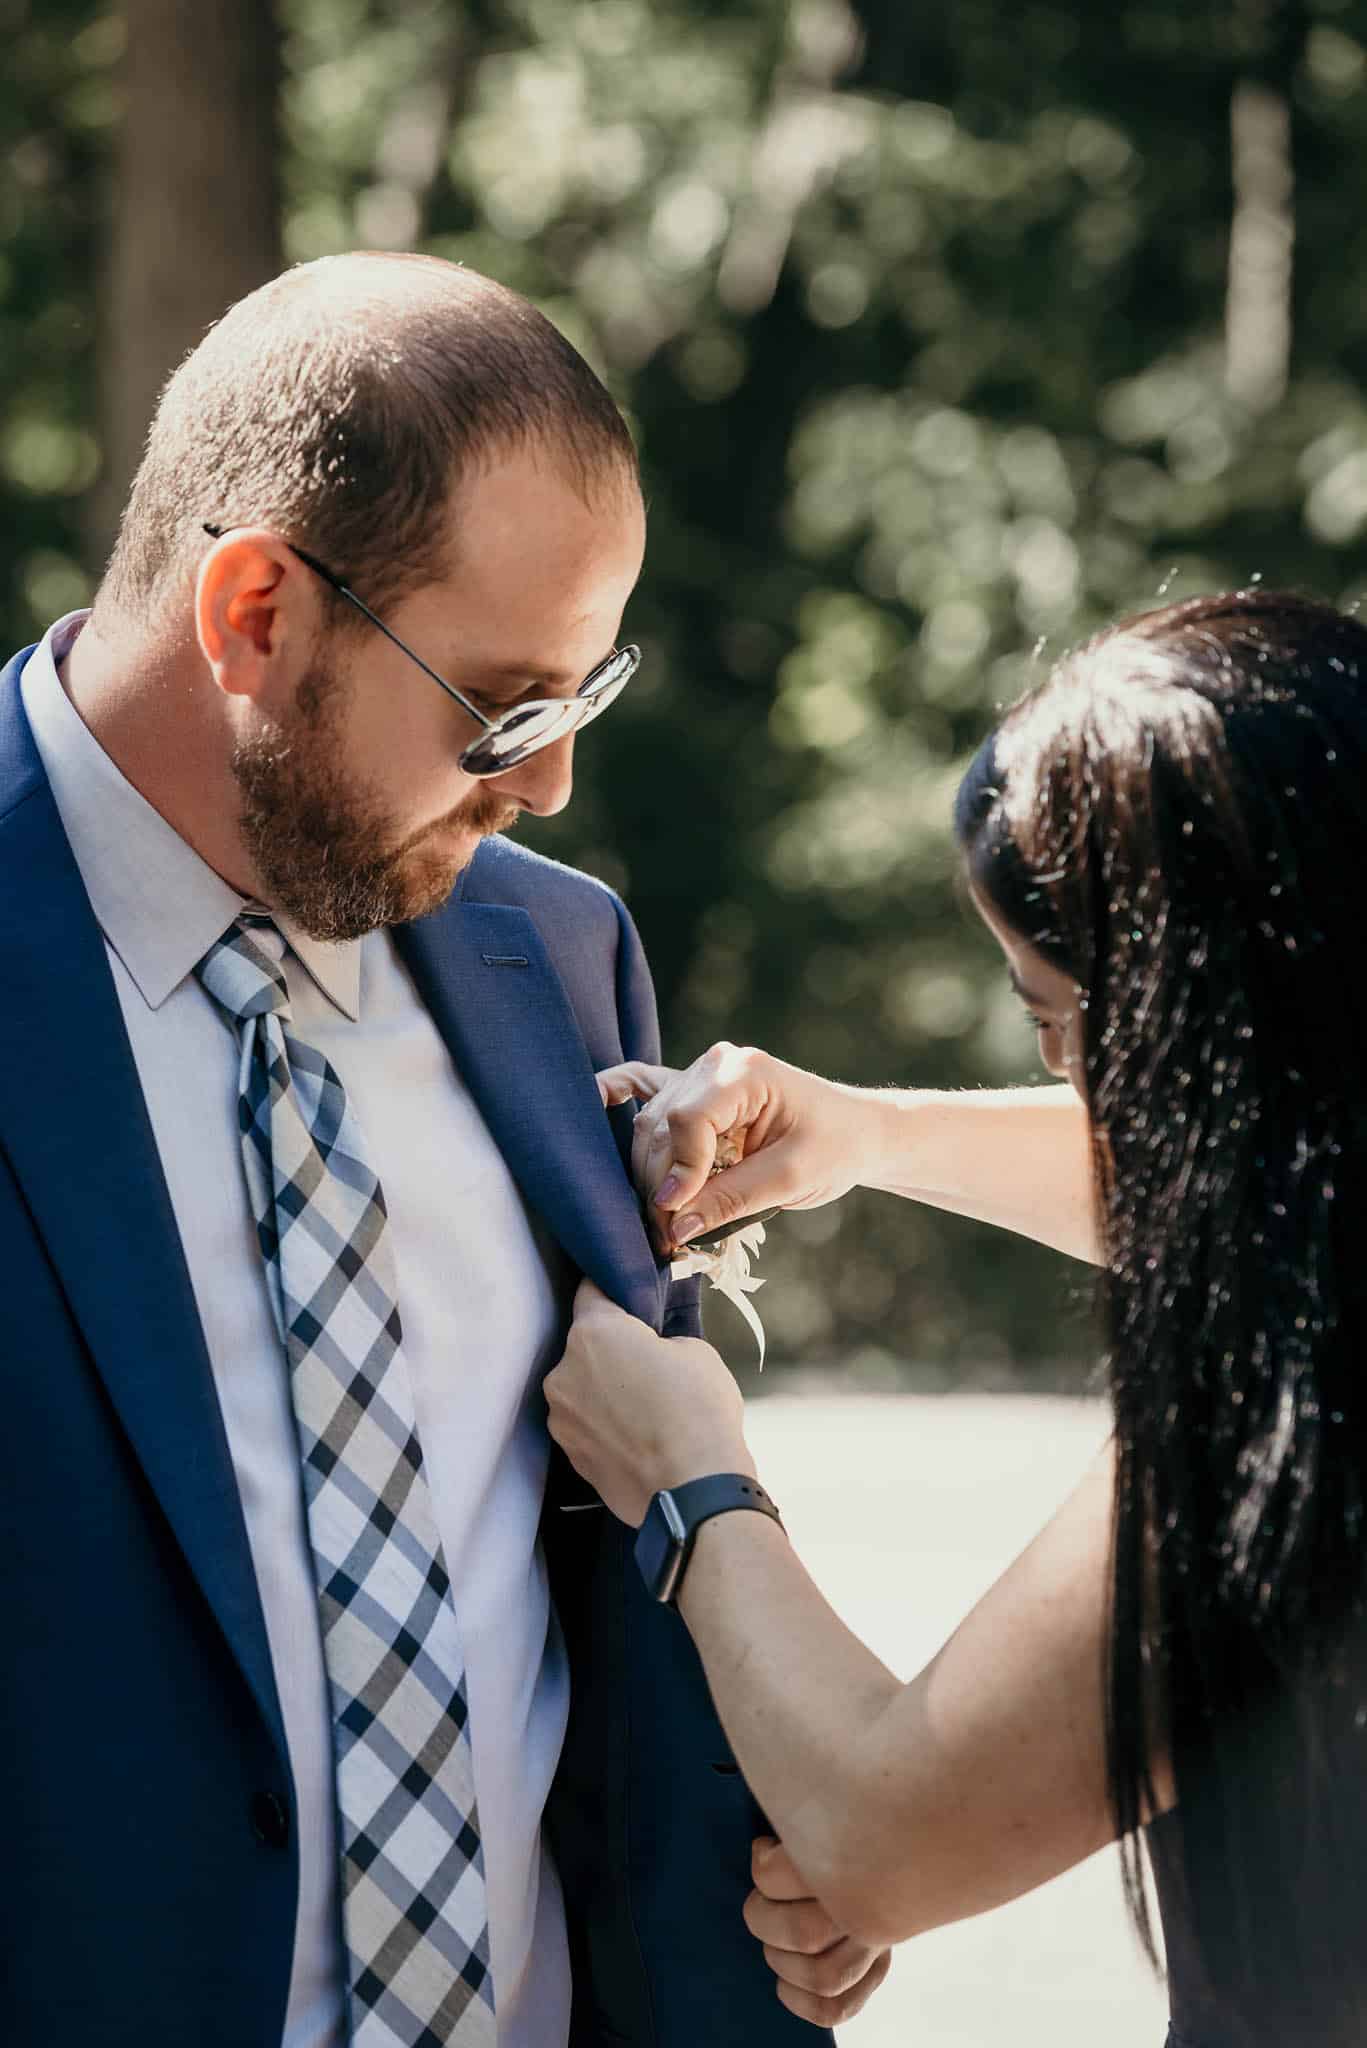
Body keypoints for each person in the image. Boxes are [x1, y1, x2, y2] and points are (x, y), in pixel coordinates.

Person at [0, 251, 890, 2047]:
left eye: (586, 697)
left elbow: (596, 1579)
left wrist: (787, 1845)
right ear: (255, 610)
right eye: (502, 708)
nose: (551, 785)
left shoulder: (558, 959)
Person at [545, 589, 1367, 2047]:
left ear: (1213, 1028)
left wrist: (687, 1480)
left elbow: (881, 1830)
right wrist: (873, 1132)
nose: (1065, 1075)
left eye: (1062, 1024)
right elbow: (1261, 1178)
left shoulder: (1285, 1420)